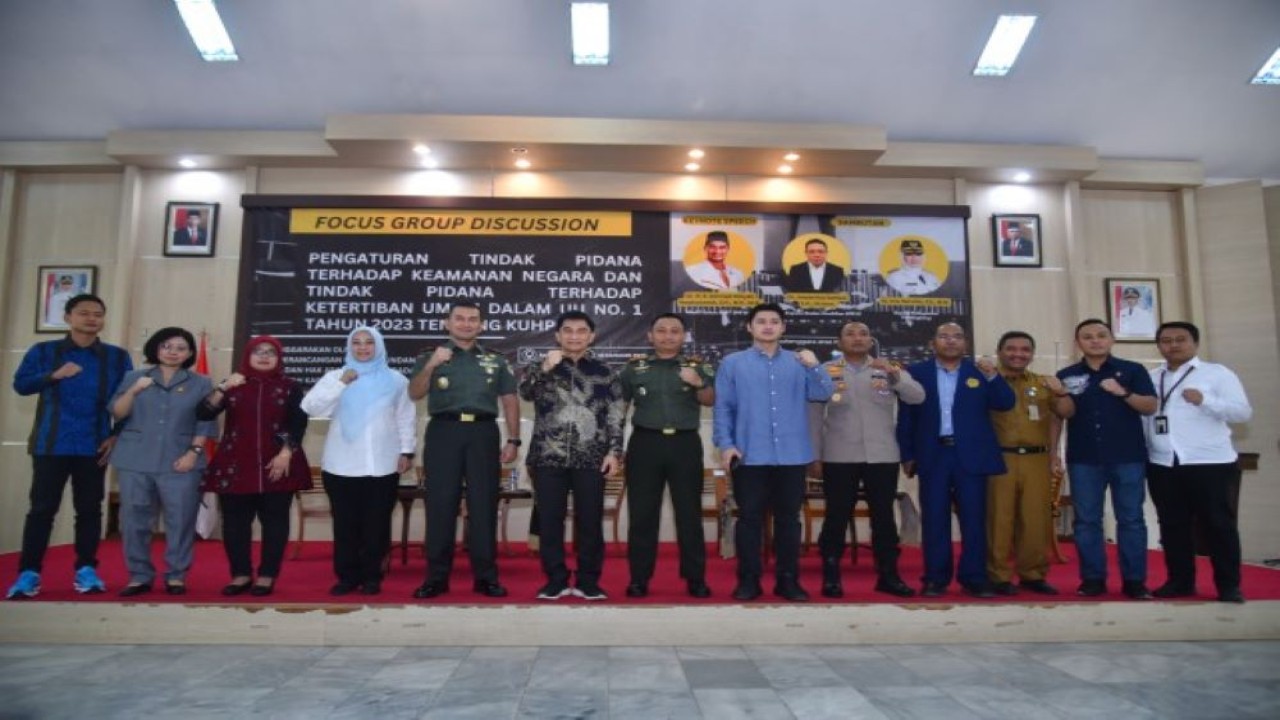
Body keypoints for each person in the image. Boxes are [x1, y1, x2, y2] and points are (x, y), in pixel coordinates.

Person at [7, 294, 132, 600]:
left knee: (89, 511)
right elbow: (21, 385)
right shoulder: (44, 351)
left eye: (98, 314)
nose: (91, 318)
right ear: (68, 317)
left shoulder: (117, 357)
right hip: (51, 444)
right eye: (84, 313)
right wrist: (53, 375)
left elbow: (129, 399)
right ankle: (29, 573)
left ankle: (86, 569)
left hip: (95, 445)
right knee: (41, 510)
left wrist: (117, 434)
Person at [714, 303, 834, 602]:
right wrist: (726, 444)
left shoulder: (799, 362)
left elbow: (823, 394)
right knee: (749, 520)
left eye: (774, 322)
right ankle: (749, 581)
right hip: (748, 454)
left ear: (783, 328)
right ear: (749, 327)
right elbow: (723, 407)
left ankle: (788, 580)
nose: (768, 326)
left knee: (788, 521)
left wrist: (814, 366)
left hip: (792, 455)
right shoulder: (733, 363)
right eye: (761, 321)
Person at [409, 301, 520, 599]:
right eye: (459, 319)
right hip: (444, 432)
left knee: (484, 505)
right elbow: (414, 392)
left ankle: (486, 578)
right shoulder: (429, 356)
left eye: (473, 320)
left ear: (482, 326)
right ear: (447, 323)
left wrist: (514, 439)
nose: (466, 324)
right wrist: (432, 365)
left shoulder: (496, 360)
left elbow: (509, 398)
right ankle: (436, 578)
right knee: (440, 506)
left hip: (483, 433)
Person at [896, 322, 1015, 598]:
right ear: (932, 343)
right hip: (933, 454)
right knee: (934, 518)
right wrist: (908, 454)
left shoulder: (980, 372)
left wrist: (994, 376)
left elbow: (1005, 402)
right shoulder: (916, 372)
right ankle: (935, 578)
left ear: (966, 344)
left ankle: (974, 577)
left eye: (957, 337)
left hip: (971, 456)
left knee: (974, 519)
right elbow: (907, 417)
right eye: (944, 336)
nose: (951, 341)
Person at [808, 321, 924, 598]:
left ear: (871, 341)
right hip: (839, 456)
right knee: (836, 517)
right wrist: (814, 456)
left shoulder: (888, 369)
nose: (857, 338)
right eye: (850, 334)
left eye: (863, 334)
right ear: (839, 342)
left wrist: (896, 375)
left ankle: (888, 575)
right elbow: (813, 418)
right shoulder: (825, 371)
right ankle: (832, 576)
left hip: (882, 455)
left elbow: (917, 397)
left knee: (884, 518)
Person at [301, 326, 415, 596]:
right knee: (345, 525)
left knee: (376, 525)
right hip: (340, 465)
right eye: (357, 343)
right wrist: (342, 384)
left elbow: (405, 418)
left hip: (383, 465)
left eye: (369, 343)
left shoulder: (396, 380)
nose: (363, 348)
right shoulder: (335, 376)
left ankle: (372, 577)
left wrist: (407, 451)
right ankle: (347, 577)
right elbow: (311, 407)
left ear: (379, 347)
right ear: (349, 347)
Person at [518, 312, 624, 600]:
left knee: (590, 522)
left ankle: (589, 581)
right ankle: (555, 579)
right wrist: (544, 368)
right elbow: (526, 393)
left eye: (581, 331)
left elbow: (615, 415)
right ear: (557, 335)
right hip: (547, 457)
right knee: (550, 521)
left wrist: (615, 452)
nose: (574, 336)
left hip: (591, 457)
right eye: (568, 330)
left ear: (591, 336)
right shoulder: (540, 366)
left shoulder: (605, 372)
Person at [1145, 322, 1252, 603]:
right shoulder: (1151, 377)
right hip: (1163, 462)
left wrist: (1206, 401)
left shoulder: (1216, 374)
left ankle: (1228, 585)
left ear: (1195, 342)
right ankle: (1180, 581)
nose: (1173, 345)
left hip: (1209, 461)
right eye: (1166, 340)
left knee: (1218, 524)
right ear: (1158, 345)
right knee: (1172, 524)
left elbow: (1242, 412)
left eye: (1181, 339)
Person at [198, 335, 312, 597]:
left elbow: (296, 424)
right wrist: (223, 387)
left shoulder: (289, 386)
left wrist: (285, 453)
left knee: (275, 522)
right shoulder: (234, 384)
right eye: (257, 351)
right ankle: (240, 574)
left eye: (270, 352)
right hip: (235, 465)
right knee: (235, 523)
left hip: (276, 465)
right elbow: (203, 413)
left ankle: (267, 575)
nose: (263, 355)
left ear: (279, 357)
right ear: (247, 355)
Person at [110, 327, 217, 597]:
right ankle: (139, 575)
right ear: (156, 349)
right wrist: (133, 391)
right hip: (135, 459)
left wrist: (193, 452)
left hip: (181, 461)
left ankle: (176, 575)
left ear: (190, 353)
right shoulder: (133, 377)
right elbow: (117, 413)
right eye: (167, 346)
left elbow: (206, 422)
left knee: (180, 520)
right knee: (135, 520)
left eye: (181, 348)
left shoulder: (201, 382)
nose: (173, 352)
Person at [1056, 319, 1158, 599]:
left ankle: (1135, 582)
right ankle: (1092, 579)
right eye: (1087, 337)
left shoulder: (1132, 371)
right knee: (1087, 521)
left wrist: (1123, 392)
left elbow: (1150, 406)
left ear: (1111, 339)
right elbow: (1063, 413)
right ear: (1078, 343)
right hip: (1084, 458)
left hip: (1127, 457)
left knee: (1132, 520)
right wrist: (1060, 393)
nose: (1095, 341)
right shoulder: (1066, 374)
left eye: (1101, 335)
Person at [619, 313, 715, 599]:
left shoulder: (698, 366)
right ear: (650, 336)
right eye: (661, 330)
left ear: (683, 336)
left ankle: (695, 578)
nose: (668, 336)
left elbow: (711, 399)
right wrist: (614, 445)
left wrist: (699, 382)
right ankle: (639, 578)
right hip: (644, 444)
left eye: (675, 331)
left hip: (685, 445)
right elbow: (620, 407)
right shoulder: (634, 368)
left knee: (689, 515)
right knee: (642, 516)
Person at [986, 331, 1066, 596]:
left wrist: (1061, 392)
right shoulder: (986, 381)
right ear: (999, 352)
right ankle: (997, 576)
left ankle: (1033, 574)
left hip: (1036, 459)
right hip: (999, 458)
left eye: (1024, 350)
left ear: (1032, 354)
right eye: (1011, 349)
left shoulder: (1044, 384)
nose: (1018, 354)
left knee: (1035, 519)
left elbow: (1062, 415)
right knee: (999, 519)